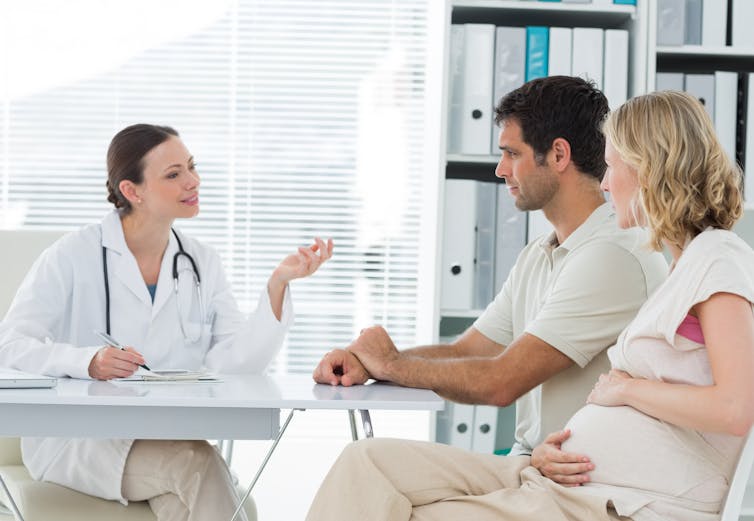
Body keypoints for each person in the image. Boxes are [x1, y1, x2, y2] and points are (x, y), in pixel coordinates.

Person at [306, 90, 754, 521]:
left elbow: (736, 408)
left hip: (616, 502)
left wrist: (626, 390)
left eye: (614, 166)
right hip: (568, 478)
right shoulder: (684, 264)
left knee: (403, 510)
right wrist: (376, 361)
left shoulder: (713, 258)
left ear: (649, 169)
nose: (605, 181)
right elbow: (474, 351)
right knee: (366, 463)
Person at [313, 75, 667, 467]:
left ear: (558, 155)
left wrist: (391, 364)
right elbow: (465, 352)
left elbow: (501, 382)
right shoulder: (540, 254)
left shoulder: (611, 256)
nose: (501, 170)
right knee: (368, 465)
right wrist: (368, 363)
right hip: (533, 464)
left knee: (369, 465)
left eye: (512, 154)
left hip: (580, 478)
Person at [0, 123, 333, 520]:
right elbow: (11, 345)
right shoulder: (72, 255)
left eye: (191, 167)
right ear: (132, 191)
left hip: (164, 433)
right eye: (174, 174)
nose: (193, 181)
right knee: (198, 465)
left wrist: (278, 285)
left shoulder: (201, 262)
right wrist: (87, 362)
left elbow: (237, 363)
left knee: (194, 496)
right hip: (79, 441)